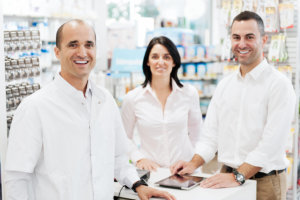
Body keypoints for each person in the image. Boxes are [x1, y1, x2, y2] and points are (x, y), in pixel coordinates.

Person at [4, 19, 176, 200]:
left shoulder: (106, 101)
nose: (82, 52)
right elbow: (17, 178)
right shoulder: (34, 107)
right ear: (57, 52)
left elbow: (118, 158)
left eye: (89, 45)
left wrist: (139, 184)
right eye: (73, 45)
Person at [170, 11, 296, 200]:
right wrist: (193, 163)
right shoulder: (225, 85)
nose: (242, 44)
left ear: (264, 40)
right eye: (236, 37)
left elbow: (271, 143)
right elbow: (210, 135)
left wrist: (238, 176)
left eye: (249, 37)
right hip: (226, 176)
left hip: (264, 183)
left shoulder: (279, 85)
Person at [121, 36, 203, 171]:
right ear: (147, 61)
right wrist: (139, 158)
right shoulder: (133, 98)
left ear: (174, 62)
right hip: (152, 172)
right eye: (155, 57)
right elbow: (124, 137)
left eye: (166, 57)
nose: (160, 62)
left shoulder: (189, 94)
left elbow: (198, 134)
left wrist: (193, 162)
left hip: (184, 171)